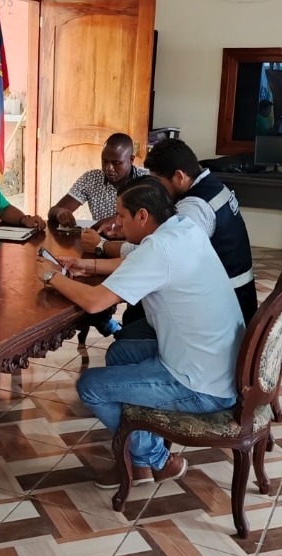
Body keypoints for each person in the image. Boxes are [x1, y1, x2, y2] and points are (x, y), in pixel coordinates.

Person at [35, 176, 244, 487]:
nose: (116, 223)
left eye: (121, 215)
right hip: (220, 365)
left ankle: (157, 460)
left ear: (142, 215)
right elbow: (136, 262)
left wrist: (51, 276)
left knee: (91, 386)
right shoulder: (184, 229)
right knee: (121, 353)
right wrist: (86, 266)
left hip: (201, 386)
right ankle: (143, 460)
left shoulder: (160, 248)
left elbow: (94, 302)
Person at [84, 138, 257, 333]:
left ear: (179, 176)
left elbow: (155, 254)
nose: (156, 191)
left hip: (223, 307)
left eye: (158, 183)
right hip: (235, 293)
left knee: (137, 312)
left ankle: (133, 345)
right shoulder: (212, 185)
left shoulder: (194, 208)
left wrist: (101, 246)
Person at [47, 132, 147, 235]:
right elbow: (54, 211)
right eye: (104, 161)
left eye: (116, 163)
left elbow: (156, 218)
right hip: (100, 240)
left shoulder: (146, 179)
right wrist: (60, 213)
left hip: (139, 241)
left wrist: (117, 219)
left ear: (131, 160)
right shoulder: (91, 179)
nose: (109, 168)